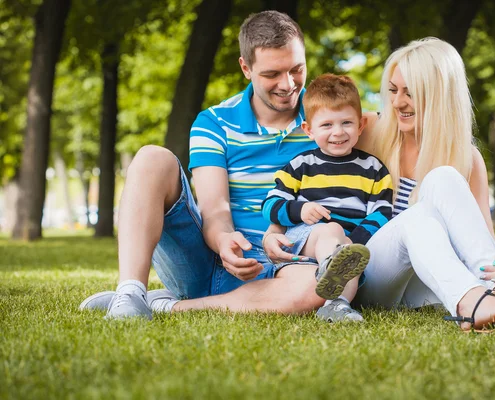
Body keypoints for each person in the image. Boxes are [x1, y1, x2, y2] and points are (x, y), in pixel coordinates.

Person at [80, 11, 331, 319]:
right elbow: (215, 209)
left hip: (289, 264)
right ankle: (131, 292)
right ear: (246, 68)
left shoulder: (330, 122)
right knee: (151, 158)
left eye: (297, 69)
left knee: (318, 286)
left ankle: (166, 307)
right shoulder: (214, 123)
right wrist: (225, 241)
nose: (287, 84)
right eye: (272, 74)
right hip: (208, 259)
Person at [346, 37, 495, 332]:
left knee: (443, 176)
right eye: (393, 90)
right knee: (418, 218)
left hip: (426, 283)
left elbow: (480, 237)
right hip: (369, 278)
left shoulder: (466, 157)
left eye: (410, 93)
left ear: (437, 95)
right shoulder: (367, 129)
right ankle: (473, 303)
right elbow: (314, 131)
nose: (398, 102)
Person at [261, 74, 394, 322]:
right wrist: (299, 210)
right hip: (306, 237)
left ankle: (337, 305)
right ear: (309, 130)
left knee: (348, 254)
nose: (338, 132)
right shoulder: (301, 165)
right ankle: (332, 265)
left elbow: (382, 213)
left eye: (346, 123)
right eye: (326, 125)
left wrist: (353, 243)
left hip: (349, 244)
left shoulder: (374, 169)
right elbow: (269, 205)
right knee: (333, 232)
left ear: (361, 125)